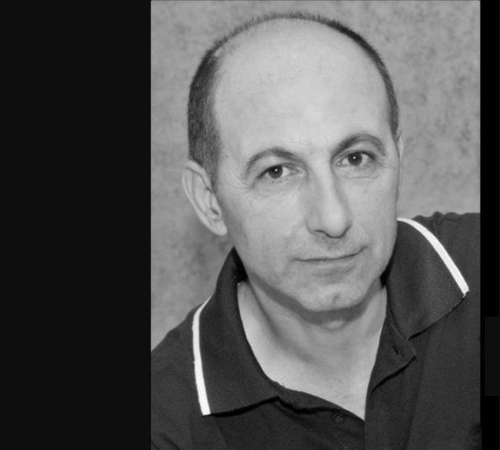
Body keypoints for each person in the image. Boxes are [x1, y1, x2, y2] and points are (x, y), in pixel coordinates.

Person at [151, 11, 480, 450]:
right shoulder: (165, 425)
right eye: (276, 171)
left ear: (397, 159)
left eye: (356, 158)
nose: (333, 218)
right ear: (209, 199)